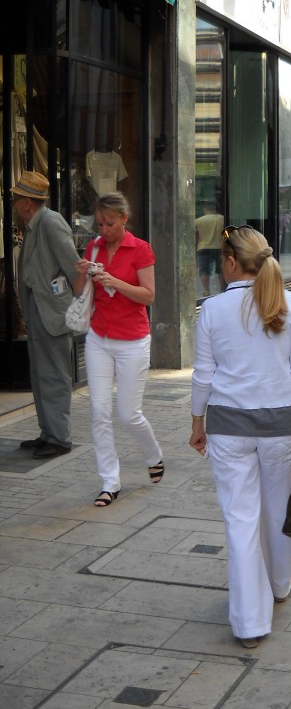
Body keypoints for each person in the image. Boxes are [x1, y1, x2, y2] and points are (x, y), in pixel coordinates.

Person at [188, 225, 291, 649]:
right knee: (277, 508)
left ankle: (250, 622)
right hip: (283, 427)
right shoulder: (288, 303)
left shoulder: (212, 309)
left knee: (240, 521)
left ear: (231, 262)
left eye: (222, 259)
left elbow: (203, 375)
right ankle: (280, 584)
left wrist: (197, 422)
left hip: (229, 428)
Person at [74, 193, 164, 506]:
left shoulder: (140, 249)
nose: (103, 230)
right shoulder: (94, 247)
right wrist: (82, 272)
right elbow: (79, 292)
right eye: (99, 224)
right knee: (98, 412)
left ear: (124, 219)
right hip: (99, 337)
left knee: (128, 414)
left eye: (109, 223)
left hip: (133, 340)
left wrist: (114, 281)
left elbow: (148, 296)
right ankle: (110, 481)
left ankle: (153, 454)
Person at [12, 171, 79, 458]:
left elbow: (74, 267)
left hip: (53, 312)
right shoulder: (32, 225)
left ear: (27, 202)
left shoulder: (50, 222)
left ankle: (60, 438)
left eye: (16, 199)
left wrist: (79, 308)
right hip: (38, 309)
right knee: (40, 374)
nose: (13, 204)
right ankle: (48, 432)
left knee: (55, 375)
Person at [195, 200, 225, 296]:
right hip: (219, 247)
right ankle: (222, 290)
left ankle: (206, 291)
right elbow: (225, 234)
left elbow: (196, 236)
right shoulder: (222, 219)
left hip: (203, 247)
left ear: (205, 209)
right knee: (221, 270)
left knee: (204, 271)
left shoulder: (198, 221)